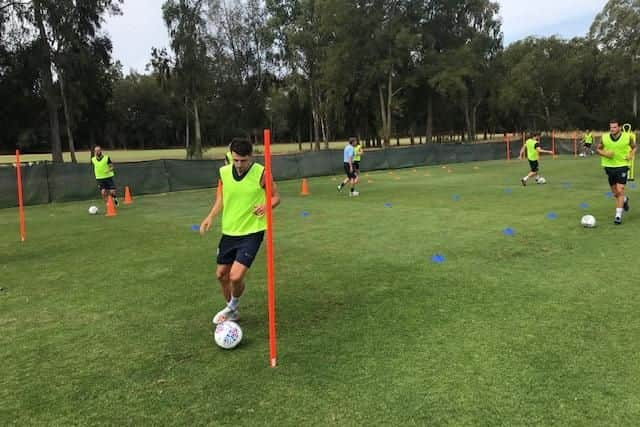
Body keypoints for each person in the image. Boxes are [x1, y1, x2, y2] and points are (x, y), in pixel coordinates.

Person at [200, 138, 281, 324]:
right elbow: (221, 199)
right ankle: (233, 312)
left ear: (250, 157)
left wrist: (266, 205)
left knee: (235, 276)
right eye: (235, 160)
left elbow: (276, 197)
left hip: (252, 231)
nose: (239, 164)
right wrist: (210, 216)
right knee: (221, 275)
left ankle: (231, 308)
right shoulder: (224, 173)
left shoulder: (261, 174)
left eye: (243, 160)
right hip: (229, 231)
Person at [596, 119, 637, 224]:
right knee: (616, 193)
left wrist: (631, 154)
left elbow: (634, 147)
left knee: (620, 189)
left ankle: (618, 216)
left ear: (619, 127)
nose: (612, 129)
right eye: (611, 127)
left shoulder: (627, 137)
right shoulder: (604, 137)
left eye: (614, 127)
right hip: (609, 167)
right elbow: (598, 149)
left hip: (623, 165)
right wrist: (605, 154)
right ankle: (624, 200)